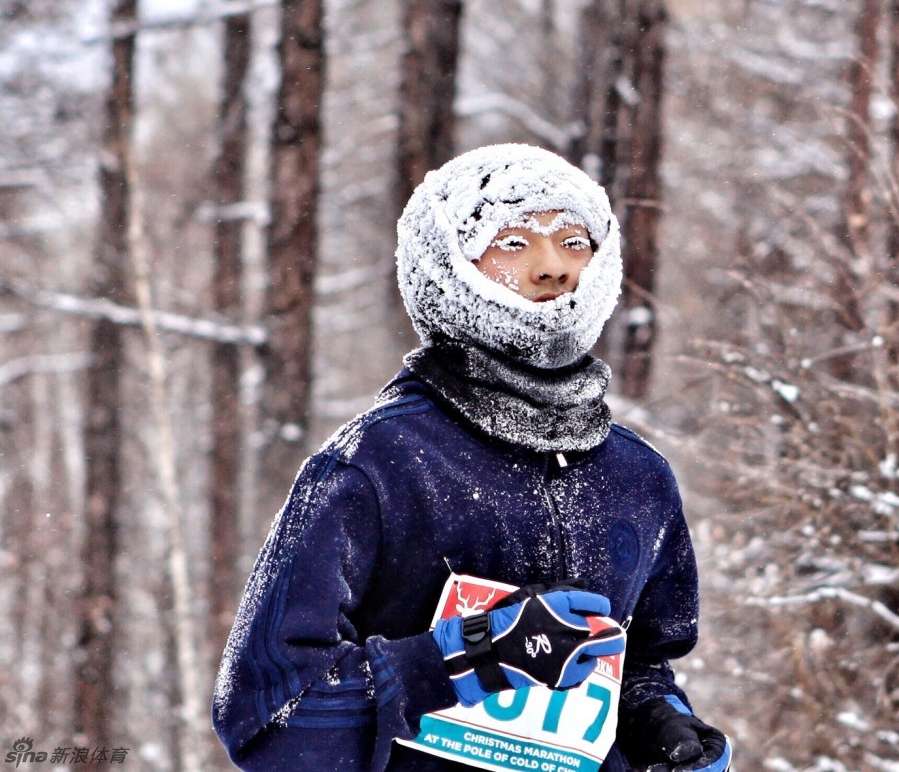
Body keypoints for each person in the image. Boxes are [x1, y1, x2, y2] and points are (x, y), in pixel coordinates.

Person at [212, 144, 730, 772]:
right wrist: (471, 659)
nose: (552, 269)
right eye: (514, 243)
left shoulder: (637, 479)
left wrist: (655, 719)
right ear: (446, 268)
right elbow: (269, 716)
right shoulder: (377, 463)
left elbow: (639, 662)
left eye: (574, 241)